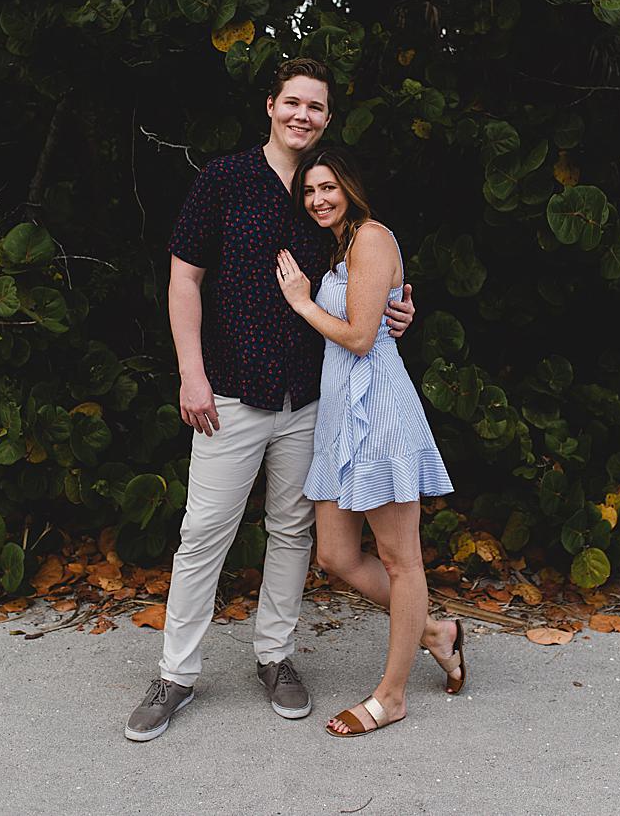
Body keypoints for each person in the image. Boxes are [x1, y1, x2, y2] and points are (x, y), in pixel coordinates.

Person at [128, 59, 418, 742]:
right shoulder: (225, 180)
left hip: (311, 397)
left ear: (327, 118)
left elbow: (371, 271)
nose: (302, 116)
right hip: (228, 391)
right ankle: (175, 674)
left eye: (315, 107)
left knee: (290, 532)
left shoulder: (325, 194)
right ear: (270, 106)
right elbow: (183, 278)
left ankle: (276, 656)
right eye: (293, 103)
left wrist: (402, 307)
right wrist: (190, 374)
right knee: (204, 534)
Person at [274, 145, 462, 735]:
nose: (317, 200)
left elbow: (358, 337)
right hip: (341, 415)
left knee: (400, 560)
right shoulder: (342, 248)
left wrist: (301, 302)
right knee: (334, 553)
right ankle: (434, 631)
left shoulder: (372, 237)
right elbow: (371, 315)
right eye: (308, 191)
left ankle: (392, 695)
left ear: (350, 187)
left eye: (327, 187)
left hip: (377, 410)